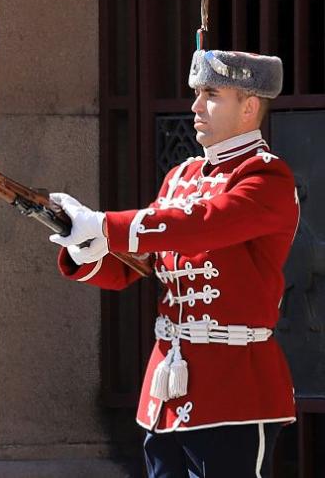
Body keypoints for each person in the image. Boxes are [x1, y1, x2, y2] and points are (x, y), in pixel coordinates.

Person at [49, 49, 299, 477]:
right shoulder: (180, 178)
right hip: (167, 387)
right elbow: (135, 265)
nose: (196, 106)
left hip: (234, 389)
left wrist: (106, 225)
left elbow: (203, 223)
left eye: (212, 94)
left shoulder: (267, 177)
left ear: (250, 107)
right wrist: (84, 245)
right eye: (196, 94)